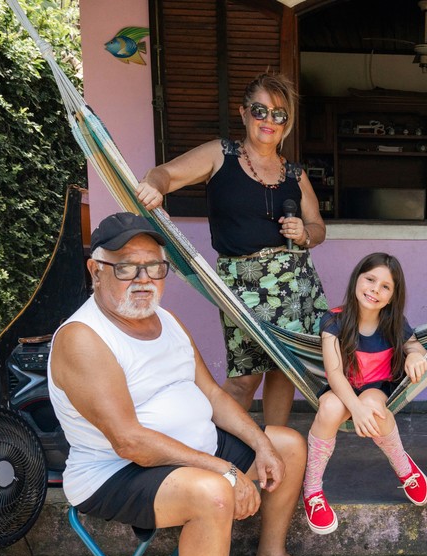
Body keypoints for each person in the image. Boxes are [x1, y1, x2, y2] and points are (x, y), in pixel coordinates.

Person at [48, 213, 328, 556]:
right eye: (126, 267)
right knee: (211, 493)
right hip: (116, 473)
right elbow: (129, 441)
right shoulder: (83, 338)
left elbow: (214, 396)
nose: (143, 279)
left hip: (191, 451)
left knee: (286, 445)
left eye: (154, 267)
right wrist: (223, 470)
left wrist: (259, 443)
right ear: (95, 271)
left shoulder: (166, 320)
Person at [136, 72, 328, 429]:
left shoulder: (295, 173)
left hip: (295, 285)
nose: (269, 121)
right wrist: (153, 187)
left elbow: (318, 228)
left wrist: (304, 233)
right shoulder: (219, 154)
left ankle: (275, 445)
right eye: (260, 110)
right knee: (244, 377)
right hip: (242, 286)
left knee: (286, 371)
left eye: (279, 114)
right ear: (243, 113)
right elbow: (163, 174)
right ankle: (222, 450)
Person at [301, 253, 427, 534]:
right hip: (341, 387)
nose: (375, 289)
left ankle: (404, 469)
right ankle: (312, 490)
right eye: (370, 279)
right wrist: (355, 409)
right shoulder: (334, 321)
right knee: (331, 409)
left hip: (376, 387)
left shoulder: (393, 321)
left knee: (373, 405)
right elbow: (334, 374)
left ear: (392, 296)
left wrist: (414, 356)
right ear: (357, 279)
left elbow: (414, 346)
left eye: (385, 286)